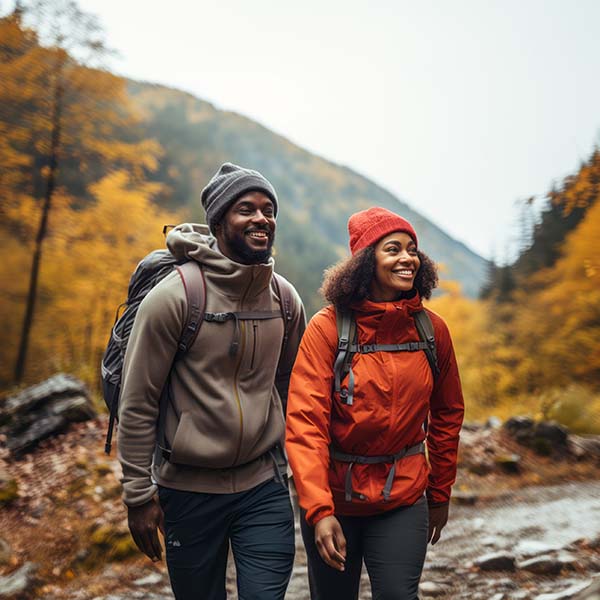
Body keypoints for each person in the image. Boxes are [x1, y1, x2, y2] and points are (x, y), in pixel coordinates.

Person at [117, 163, 306, 600]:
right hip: (188, 490)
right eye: (246, 209)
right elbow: (139, 401)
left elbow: (292, 387)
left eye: (268, 209)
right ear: (219, 222)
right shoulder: (176, 297)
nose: (262, 218)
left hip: (264, 486)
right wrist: (138, 495)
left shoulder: (284, 299)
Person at [286, 206, 464, 600]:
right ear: (367, 261)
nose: (408, 259)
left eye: (412, 249)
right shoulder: (327, 327)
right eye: (393, 249)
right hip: (335, 498)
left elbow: (448, 414)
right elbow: (304, 423)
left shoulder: (432, 330)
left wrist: (439, 492)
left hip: (403, 496)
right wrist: (319, 509)